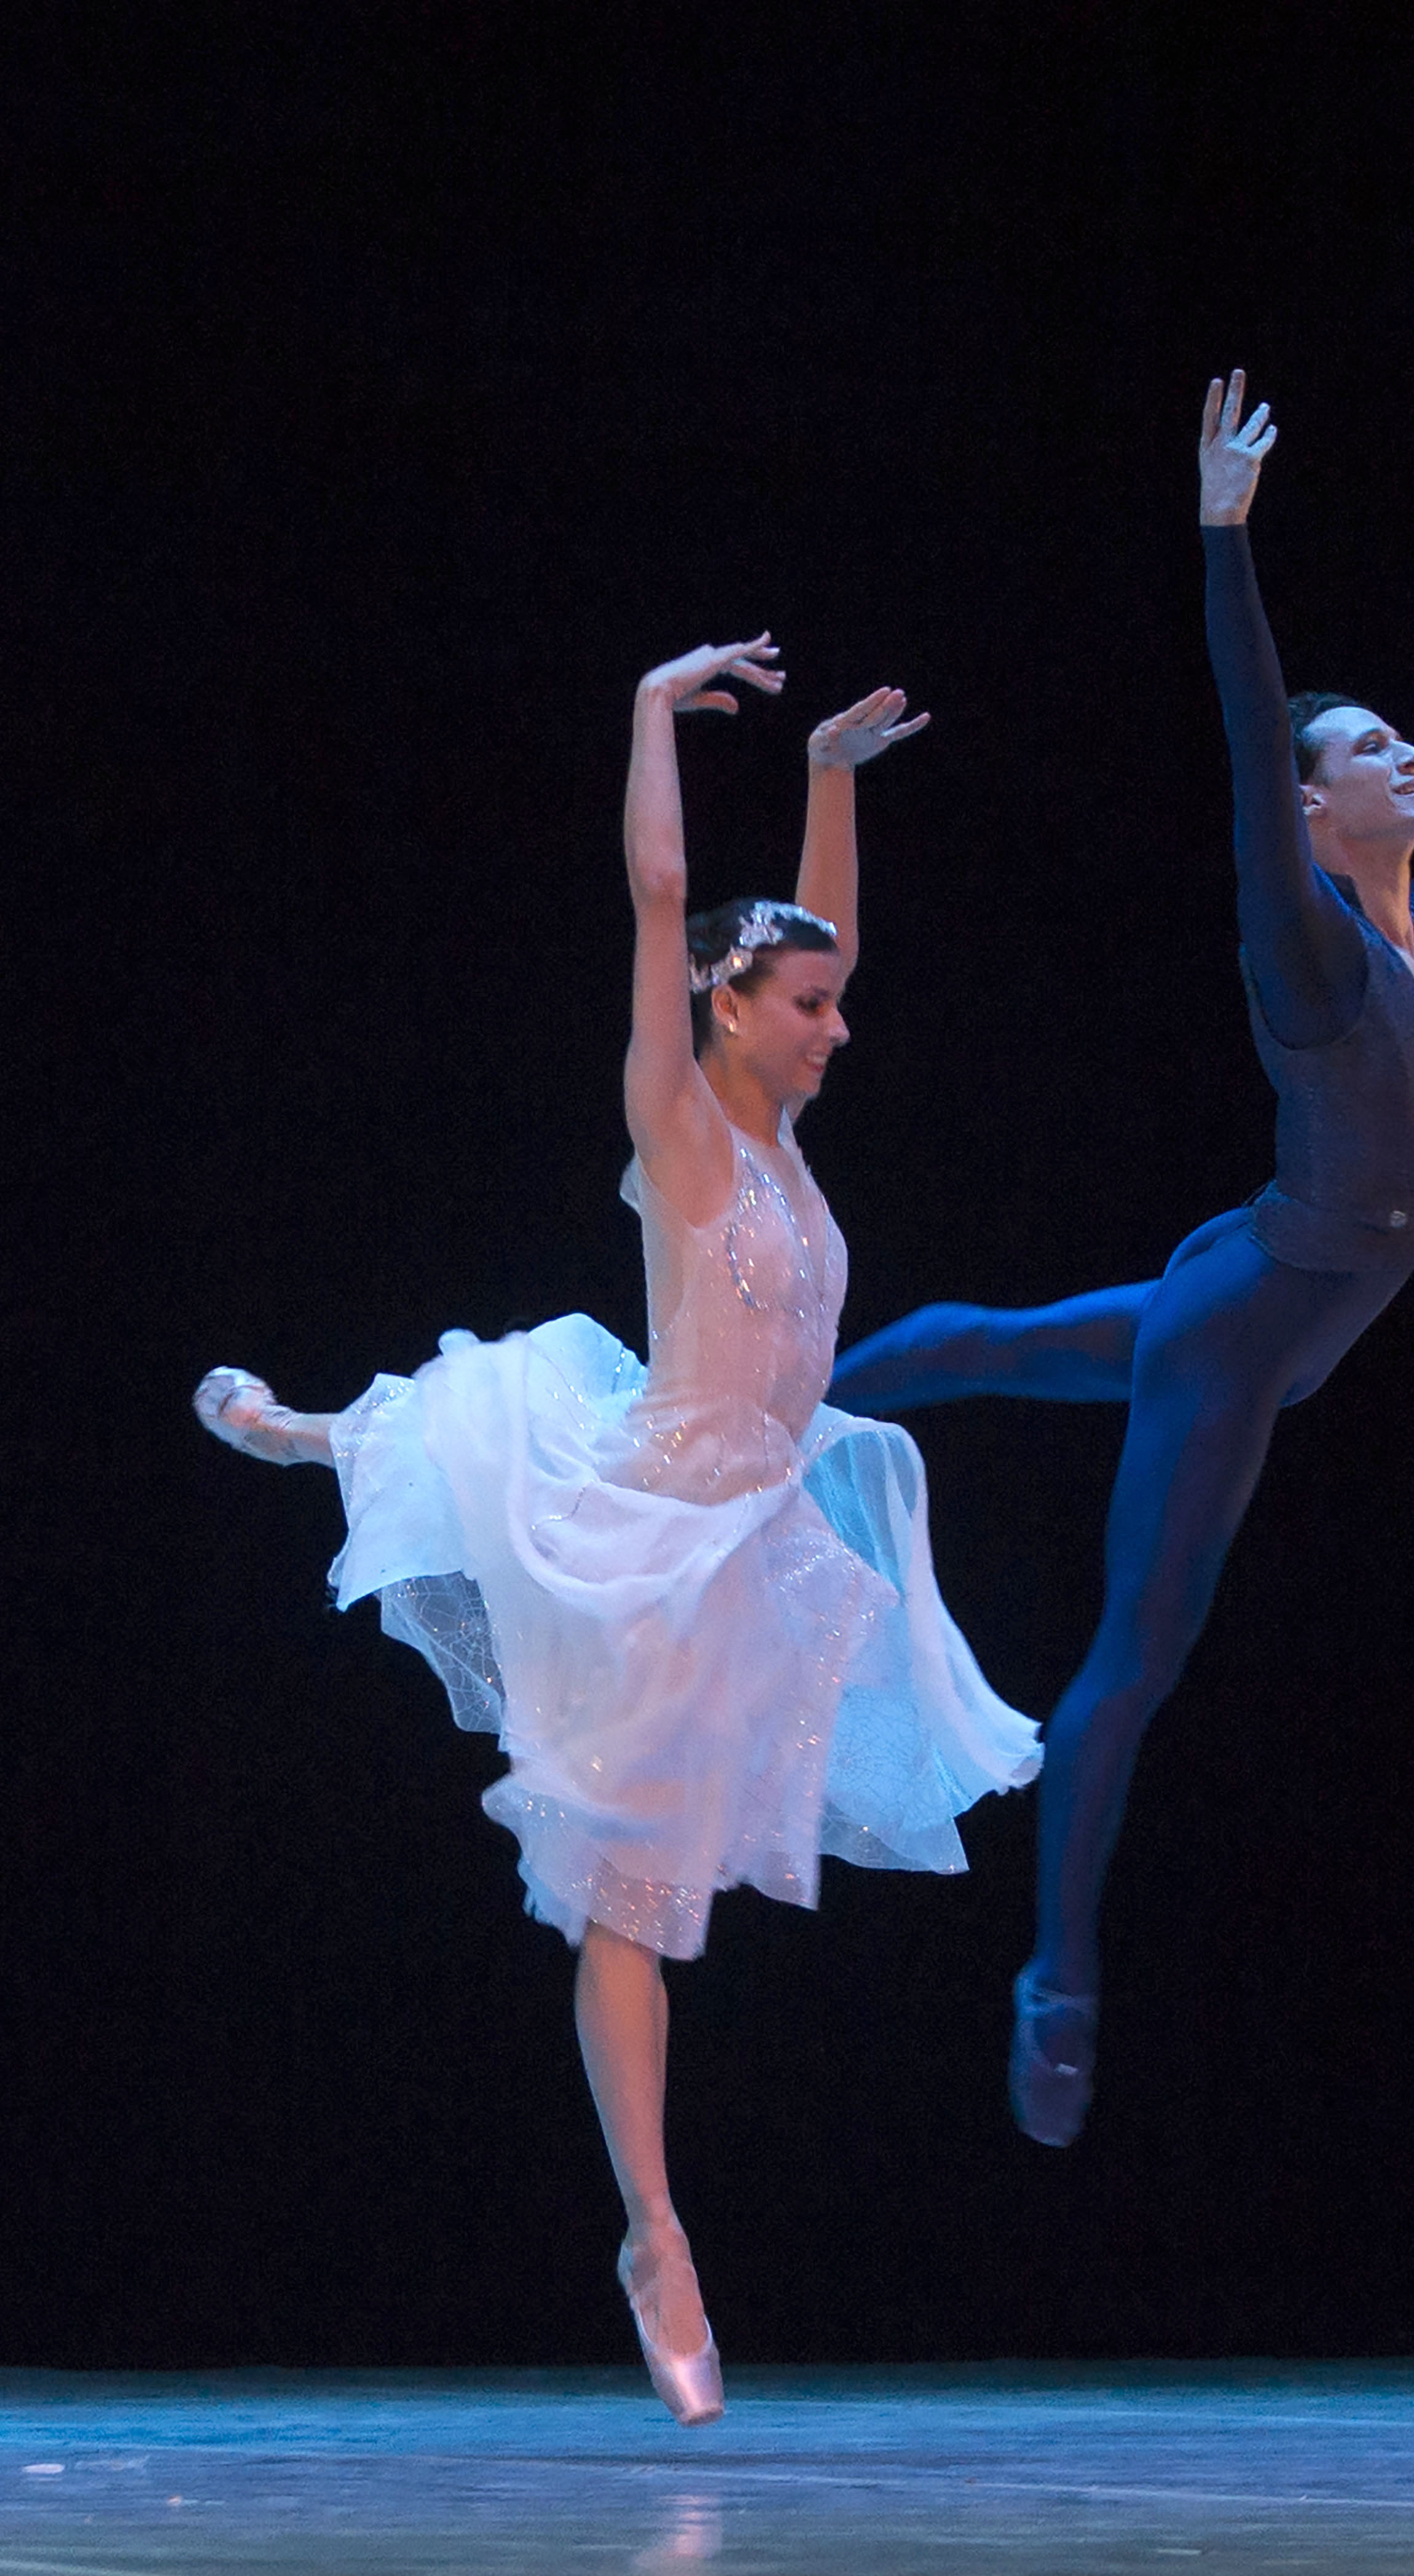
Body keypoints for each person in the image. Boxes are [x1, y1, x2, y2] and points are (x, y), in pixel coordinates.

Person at [193, 642, 1041, 2419]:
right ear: (729, 1007)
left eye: (835, 1005)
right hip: (647, 1535)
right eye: (803, 1006)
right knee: (629, 1908)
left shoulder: (795, 1149)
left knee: (656, 1890)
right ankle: (656, 2235)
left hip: (760, 1530)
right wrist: (656, 713)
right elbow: (664, 893)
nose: (835, 1024)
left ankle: (314, 1425)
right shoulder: (681, 1127)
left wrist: (827, 774)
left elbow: (828, 934)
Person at [829, 374, 1414, 2146]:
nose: (1406, 761)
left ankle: (790, 1381)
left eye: (1404, 746)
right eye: (1368, 753)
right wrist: (1222, 542)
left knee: (1006, 1343)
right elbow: (1254, 743)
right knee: (1137, 1654)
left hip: (1274, 1300)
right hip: (1245, 1332)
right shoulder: (1308, 950)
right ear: (1317, 814)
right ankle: (1059, 1980)